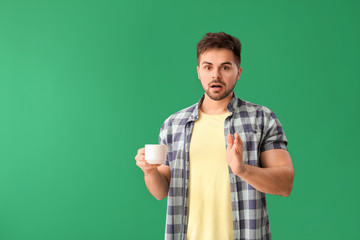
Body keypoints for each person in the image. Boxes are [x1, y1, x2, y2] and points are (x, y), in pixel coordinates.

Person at [135, 32, 294, 240]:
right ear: (198, 71)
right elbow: (160, 191)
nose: (215, 75)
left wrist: (242, 169)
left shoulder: (262, 119)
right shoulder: (173, 125)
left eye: (225, 67)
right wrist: (149, 172)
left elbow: (285, 185)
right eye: (208, 67)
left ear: (238, 72)